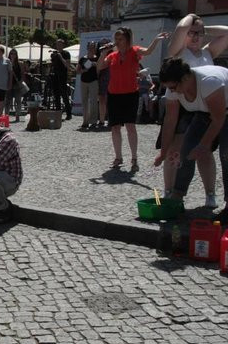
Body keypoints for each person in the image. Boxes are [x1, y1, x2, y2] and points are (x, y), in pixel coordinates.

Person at [155, 14, 227, 206]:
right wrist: (191, 17)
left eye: (199, 33)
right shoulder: (177, 52)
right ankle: (171, 191)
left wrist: (204, 28)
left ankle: (210, 194)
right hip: (182, 104)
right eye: (191, 33)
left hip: (208, 105)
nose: (195, 36)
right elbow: (179, 30)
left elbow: (227, 33)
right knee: (176, 150)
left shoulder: (207, 53)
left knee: (205, 151)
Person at [158, 58, 228, 221]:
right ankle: (178, 196)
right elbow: (170, 121)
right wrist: (163, 152)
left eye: (173, 87)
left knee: (226, 154)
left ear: (184, 79)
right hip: (204, 112)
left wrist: (204, 145)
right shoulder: (174, 88)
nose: (172, 92)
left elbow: (218, 119)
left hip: (224, 110)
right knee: (186, 149)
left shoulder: (209, 83)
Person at [96, 27, 167, 170]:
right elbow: (99, 67)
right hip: (114, 94)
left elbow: (148, 51)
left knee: (130, 126)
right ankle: (118, 157)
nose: (117, 41)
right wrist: (103, 53)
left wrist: (156, 40)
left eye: (120, 39)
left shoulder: (134, 51)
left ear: (127, 39)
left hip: (130, 94)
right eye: (116, 39)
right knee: (115, 127)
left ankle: (134, 158)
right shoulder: (112, 56)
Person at [77, 41, 100, 129]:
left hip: (93, 81)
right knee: (84, 102)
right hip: (84, 82)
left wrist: (96, 65)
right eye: (90, 47)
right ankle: (85, 121)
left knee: (94, 101)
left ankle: (93, 121)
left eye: (93, 47)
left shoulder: (97, 58)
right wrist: (84, 71)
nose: (92, 48)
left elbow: (100, 70)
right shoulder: (83, 59)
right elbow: (78, 70)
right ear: (87, 48)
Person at [51, 40, 72, 119]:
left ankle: (68, 113)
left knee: (64, 95)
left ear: (63, 45)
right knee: (56, 95)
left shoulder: (66, 53)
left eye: (60, 44)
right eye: (57, 44)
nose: (58, 46)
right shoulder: (54, 54)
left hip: (62, 76)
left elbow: (67, 65)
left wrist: (60, 56)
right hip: (55, 76)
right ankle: (58, 113)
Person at [6, 48, 25, 122]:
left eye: (14, 54)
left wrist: (21, 81)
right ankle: (6, 116)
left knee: (18, 101)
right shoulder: (7, 63)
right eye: (11, 53)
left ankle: (17, 116)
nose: (13, 55)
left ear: (17, 55)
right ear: (9, 54)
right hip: (9, 84)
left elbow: (22, 73)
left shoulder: (20, 63)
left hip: (17, 84)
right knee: (7, 101)